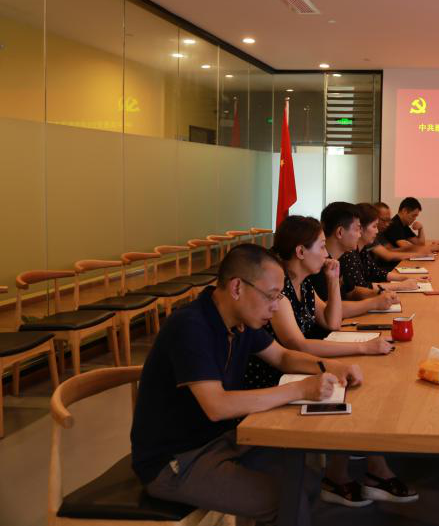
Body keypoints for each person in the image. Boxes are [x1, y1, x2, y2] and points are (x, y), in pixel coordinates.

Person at [130, 243, 362, 525]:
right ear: (237, 287)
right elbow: (217, 405)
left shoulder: (239, 320)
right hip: (175, 460)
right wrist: (300, 389)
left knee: (307, 480)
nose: (275, 306)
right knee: (287, 498)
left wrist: (332, 366)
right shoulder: (190, 326)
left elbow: (283, 357)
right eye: (271, 296)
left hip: (220, 440)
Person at [244, 216, 416, 507]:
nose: (326, 254)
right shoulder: (280, 291)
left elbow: (332, 321)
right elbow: (296, 345)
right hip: (278, 377)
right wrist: (362, 348)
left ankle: (366, 470)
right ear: (301, 252)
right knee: (356, 389)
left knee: (361, 383)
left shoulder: (304, 284)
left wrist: (333, 281)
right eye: (321, 247)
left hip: (298, 367)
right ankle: (347, 474)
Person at [309, 201, 398, 318]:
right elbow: (329, 309)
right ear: (340, 232)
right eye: (357, 229)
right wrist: (374, 303)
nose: (359, 235)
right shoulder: (318, 265)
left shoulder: (340, 258)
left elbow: (351, 292)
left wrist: (378, 293)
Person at [341, 203, 431, 292]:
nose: (377, 231)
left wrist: (407, 278)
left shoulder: (362, 249)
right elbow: (360, 287)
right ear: (360, 228)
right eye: (374, 226)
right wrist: (401, 285)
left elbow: (376, 272)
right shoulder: (349, 253)